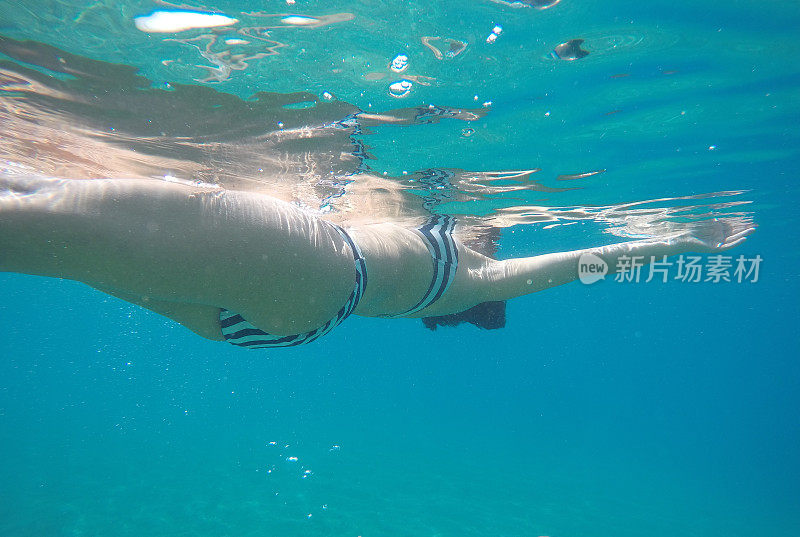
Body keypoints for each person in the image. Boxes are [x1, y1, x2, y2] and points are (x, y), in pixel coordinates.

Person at [0, 173, 754, 348]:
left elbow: (590, 261)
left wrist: (685, 242)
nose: (497, 236)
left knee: (35, 218)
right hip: (280, 314)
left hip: (315, 273)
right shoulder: (446, 259)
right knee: (39, 218)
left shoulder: (474, 278)